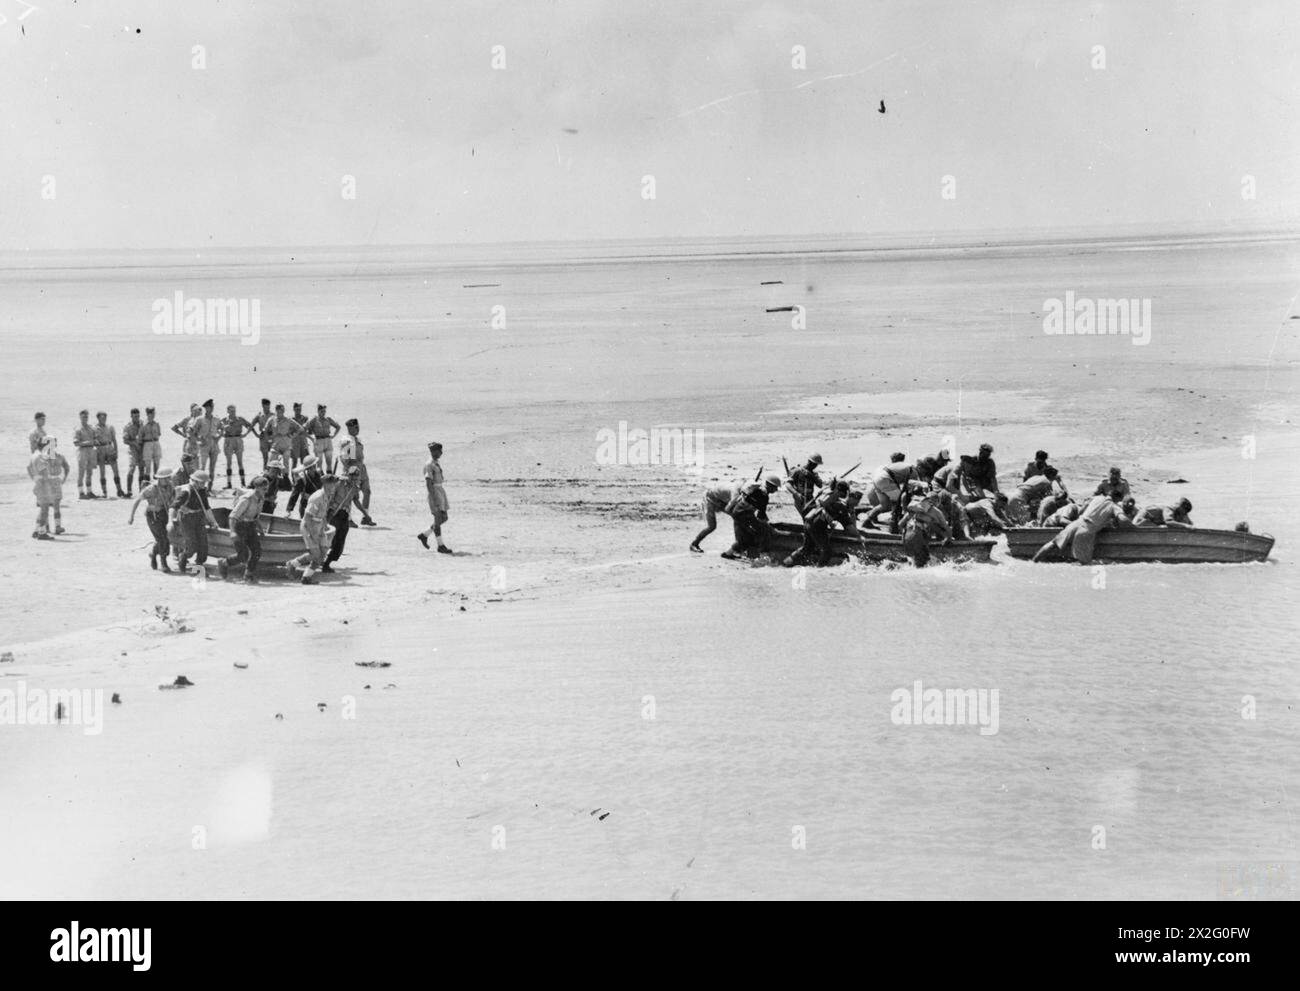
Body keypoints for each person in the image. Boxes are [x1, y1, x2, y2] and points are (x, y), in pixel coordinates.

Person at [1033, 490, 1134, 564]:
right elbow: (1123, 520)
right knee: (1084, 564)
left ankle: (1034, 562)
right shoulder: (1113, 506)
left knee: (1053, 543)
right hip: (1087, 529)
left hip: (1076, 523)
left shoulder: (1096, 498)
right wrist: (1134, 528)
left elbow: (1081, 511)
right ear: (1117, 499)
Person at [783, 480, 860, 568]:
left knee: (807, 549)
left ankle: (786, 563)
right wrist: (859, 536)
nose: (858, 502)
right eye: (858, 499)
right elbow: (850, 529)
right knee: (827, 551)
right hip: (816, 526)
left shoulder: (828, 496)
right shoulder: (840, 507)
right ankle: (818, 570)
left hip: (809, 521)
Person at [286, 477, 338, 585]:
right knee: (315, 554)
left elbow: (323, 513)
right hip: (309, 527)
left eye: (334, 484)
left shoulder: (327, 495)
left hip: (319, 526)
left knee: (323, 552)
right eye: (332, 484)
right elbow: (308, 516)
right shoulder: (317, 497)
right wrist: (312, 533)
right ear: (326, 484)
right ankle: (293, 564)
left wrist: (324, 525)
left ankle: (306, 577)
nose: (334, 487)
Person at [217, 476, 269, 583]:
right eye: (264, 489)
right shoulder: (246, 499)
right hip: (240, 527)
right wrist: (232, 532)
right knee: (243, 555)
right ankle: (224, 563)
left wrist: (260, 529)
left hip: (250, 526)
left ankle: (248, 575)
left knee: (257, 552)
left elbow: (255, 517)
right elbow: (232, 516)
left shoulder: (261, 499)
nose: (266, 491)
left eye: (266, 488)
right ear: (257, 488)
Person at [128, 466, 177, 571]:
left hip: (164, 514)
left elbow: (174, 499)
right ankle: (164, 563)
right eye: (165, 478)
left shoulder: (171, 486)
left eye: (169, 477)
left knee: (165, 539)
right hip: (153, 517)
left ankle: (153, 553)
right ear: (159, 478)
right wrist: (131, 516)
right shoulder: (151, 489)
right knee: (162, 539)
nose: (168, 480)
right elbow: (137, 500)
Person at [722, 474, 780, 560]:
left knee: (746, 536)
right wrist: (768, 526)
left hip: (738, 512)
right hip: (744, 514)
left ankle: (731, 553)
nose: (776, 490)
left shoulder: (757, 490)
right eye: (775, 487)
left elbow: (760, 512)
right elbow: (761, 514)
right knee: (758, 533)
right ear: (770, 486)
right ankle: (756, 555)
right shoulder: (763, 496)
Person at [170, 469, 217, 573]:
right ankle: (183, 556)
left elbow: (207, 507)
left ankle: (198, 568)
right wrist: (170, 521)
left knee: (203, 545)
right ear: (195, 481)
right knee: (192, 545)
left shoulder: (202, 490)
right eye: (202, 482)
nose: (204, 484)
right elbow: (173, 507)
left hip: (199, 517)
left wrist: (213, 522)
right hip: (187, 519)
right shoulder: (186, 491)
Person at [324, 466, 367, 572]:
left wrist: (365, 513)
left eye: (356, 478)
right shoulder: (339, 483)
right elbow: (330, 497)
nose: (354, 480)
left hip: (345, 516)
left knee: (340, 542)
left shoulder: (355, 487)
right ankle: (320, 561)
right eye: (352, 477)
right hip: (334, 514)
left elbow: (356, 500)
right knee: (330, 540)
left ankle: (327, 562)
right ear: (349, 475)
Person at [900, 487, 953, 568]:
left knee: (913, 562)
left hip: (907, 536)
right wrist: (949, 539)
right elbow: (947, 528)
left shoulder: (914, 510)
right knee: (922, 564)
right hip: (917, 535)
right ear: (937, 502)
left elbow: (900, 524)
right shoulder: (937, 512)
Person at [27, 437, 69, 539]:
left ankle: (37, 530)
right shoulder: (40, 457)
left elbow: (28, 468)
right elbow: (44, 473)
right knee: (45, 509)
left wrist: (34, 478)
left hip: (38, 483)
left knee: (42, 508)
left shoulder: (34, 455)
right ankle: (42, 533)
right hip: (44, 485)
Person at [862, 453, 915, 531]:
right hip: (881, 487)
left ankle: (867, 521)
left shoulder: (886, 467)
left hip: (877, 485)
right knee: (898, 502)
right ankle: (894, 526)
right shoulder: (907, 468)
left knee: (885, 506)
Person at [337, 418, 375, 525]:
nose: (357, 429)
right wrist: (350, 472)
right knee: (351, 496)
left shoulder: (357, 440)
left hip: (361, 469)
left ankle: (365, 517)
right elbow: (344, 459)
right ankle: (348, 519)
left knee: (367, 491)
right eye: (355, 427)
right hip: (352, 471)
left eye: (358, 427)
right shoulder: (347, 441)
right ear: (349, 428)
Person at [418, 442, 451, 552]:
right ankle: (440, 545)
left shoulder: (436, 463)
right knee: (438, 519)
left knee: (444, 518)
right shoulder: (429, 464)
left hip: (441, 491)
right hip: (435, 492)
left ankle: (425, 534)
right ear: (433, 451)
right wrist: (434, 498)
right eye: (439, 451)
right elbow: (428, 483)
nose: (441, 452)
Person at [691, 481, 738, 552]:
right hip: (709, 498)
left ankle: (738, 547)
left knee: (737, 518)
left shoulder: (742, 489)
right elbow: (729, 508)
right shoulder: (735, 493)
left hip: (720, 499)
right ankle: (694, 544)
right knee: (712, 526)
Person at [220, 403, 255, 489]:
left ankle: (243, 483)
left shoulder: (240, 419)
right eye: (231, 411)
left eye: (234, 411)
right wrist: (221, 434)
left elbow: (250, 426)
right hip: (228, 440)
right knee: (229, 463)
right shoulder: (224, 420)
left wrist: (246, 434)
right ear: (227, 411)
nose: (233, 412)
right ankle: (229, 483)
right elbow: (217, 428)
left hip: (238, 439)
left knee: (240, 462)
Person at [92, 410, 125, 498]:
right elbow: (93, 440)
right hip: (100, 450)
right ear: (98, 418)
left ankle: (119, 490)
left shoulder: (110, 427)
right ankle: (104, 492)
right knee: (102, 472)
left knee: (116, 470)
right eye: (101, 417)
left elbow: (114, 440)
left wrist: (116, 451)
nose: (103, 419)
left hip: (109, 448)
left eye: (105, 417)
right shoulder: (94, 428)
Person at [191, 399, 221, 479]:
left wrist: (218, 437)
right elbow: (192, 432)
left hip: (214, 445)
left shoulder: (216, 419)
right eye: (210, 407)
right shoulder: (199, 419)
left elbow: (222, 429)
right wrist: (199, 439)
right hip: (203, 446)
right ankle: (201, 487)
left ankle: (210, 487)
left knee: (212, 468)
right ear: (206, 408)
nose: (212, 409)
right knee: (202, 467)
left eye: (212, 407)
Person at [306, 404, 341, 472]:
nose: (323, 413)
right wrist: (311, 438)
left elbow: (338, 427)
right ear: (318, 411)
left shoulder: (328, 419)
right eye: (322, 411)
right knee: (319, 462)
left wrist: (333, 435)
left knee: (329, 461)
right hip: (318, 441)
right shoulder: (314, 420)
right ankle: (320, 479)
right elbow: (304, 429)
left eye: (324, 411)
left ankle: (329, 477)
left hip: (328, 440)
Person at [72, 410, 98, 499]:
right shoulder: (78, 429)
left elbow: (95, 438)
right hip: (82, 451)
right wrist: (87, 442)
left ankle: (89, 491)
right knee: (81, 473)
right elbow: (76, 443)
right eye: (83, 417)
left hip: (91, 451)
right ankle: (81, 493)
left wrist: (95, 442)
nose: (85, 418)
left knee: (89, 473)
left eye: (86, 417)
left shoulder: (91, 428)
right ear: (80, 417)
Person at [122, 408, 145, 497]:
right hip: (133, 449)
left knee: (142, 469)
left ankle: (141, 490)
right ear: (131, 416)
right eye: (135, 416)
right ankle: (129, 490)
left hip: (142, 448)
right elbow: (125, 440)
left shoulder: (143, 424)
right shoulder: (128, 426)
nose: (137, 418)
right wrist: (134, 444)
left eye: (138, 416)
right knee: (132, 468)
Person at [140, 407, 163, 482]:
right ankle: (147, 482)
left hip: (156, 442)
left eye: (153, 413)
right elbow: (140, 437)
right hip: (147, 443)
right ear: (147, 414)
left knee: (157, 463)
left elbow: (159, 434)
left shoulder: (157, 423)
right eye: (151, 413)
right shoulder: (143, 424)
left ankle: (156, 481)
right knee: (148, 466)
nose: (153, 415)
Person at [251, 398, 274, 468]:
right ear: (263, 405)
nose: (267, 407)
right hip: (263, 437)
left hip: (272, 437)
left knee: (274, 457)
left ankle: (274, 473)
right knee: (265, 458)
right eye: (266, 405)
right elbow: (251, 425)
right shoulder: (259, 415)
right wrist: (256, 435)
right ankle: (265, 472)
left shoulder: (273, 415)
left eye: (268, 405)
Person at [289, 402, 310, 469]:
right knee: (294, 461)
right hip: (295, 442)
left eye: (300, 409)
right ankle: (293, 476)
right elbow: (290, 432)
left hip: (303, 442)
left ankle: (303, 476)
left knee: (304, 461)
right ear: (294, 409)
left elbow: (307, 429)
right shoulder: (291, 419)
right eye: (297, 409)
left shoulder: (305, 418)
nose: (299, 411)